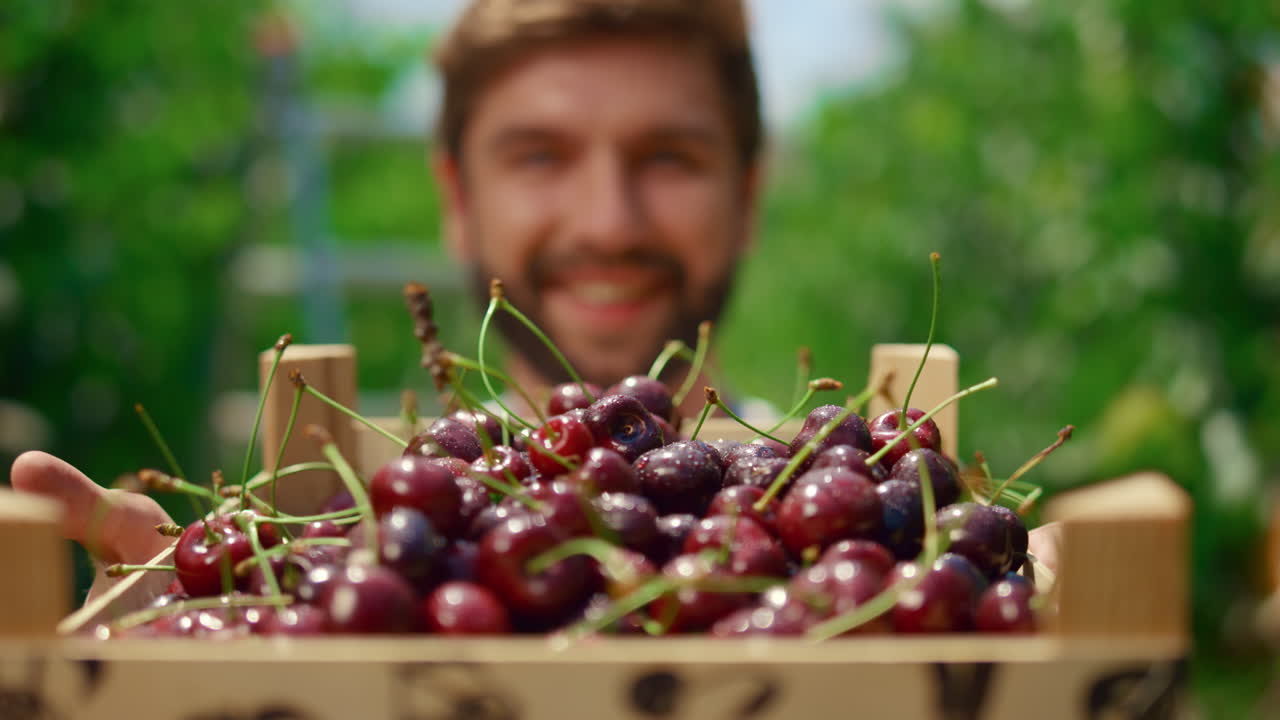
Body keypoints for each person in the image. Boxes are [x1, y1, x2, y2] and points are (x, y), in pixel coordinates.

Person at [9, 0, 1061, 601]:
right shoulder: (337, 539)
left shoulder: (884, 531)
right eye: (540, 155)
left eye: (668, 156)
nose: (606, 220)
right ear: (456, 200)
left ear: (747, 196)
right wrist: (207, 620)